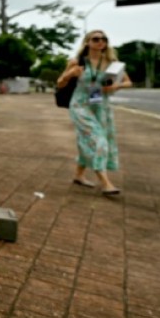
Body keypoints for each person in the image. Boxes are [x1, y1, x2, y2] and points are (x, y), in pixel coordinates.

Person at [56, 30, 133, 196]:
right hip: (80, 105)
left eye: (104, 39)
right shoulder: (77, 62)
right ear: (87, 42)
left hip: (100, 106)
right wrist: (70, 74)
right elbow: (60, 83)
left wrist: (116, 86)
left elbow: (128, 82)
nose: (100, 42)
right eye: (95, 39)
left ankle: (78, 175)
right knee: (99, 140)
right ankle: (105, 183)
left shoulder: (111, 63)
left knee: (88, 139)